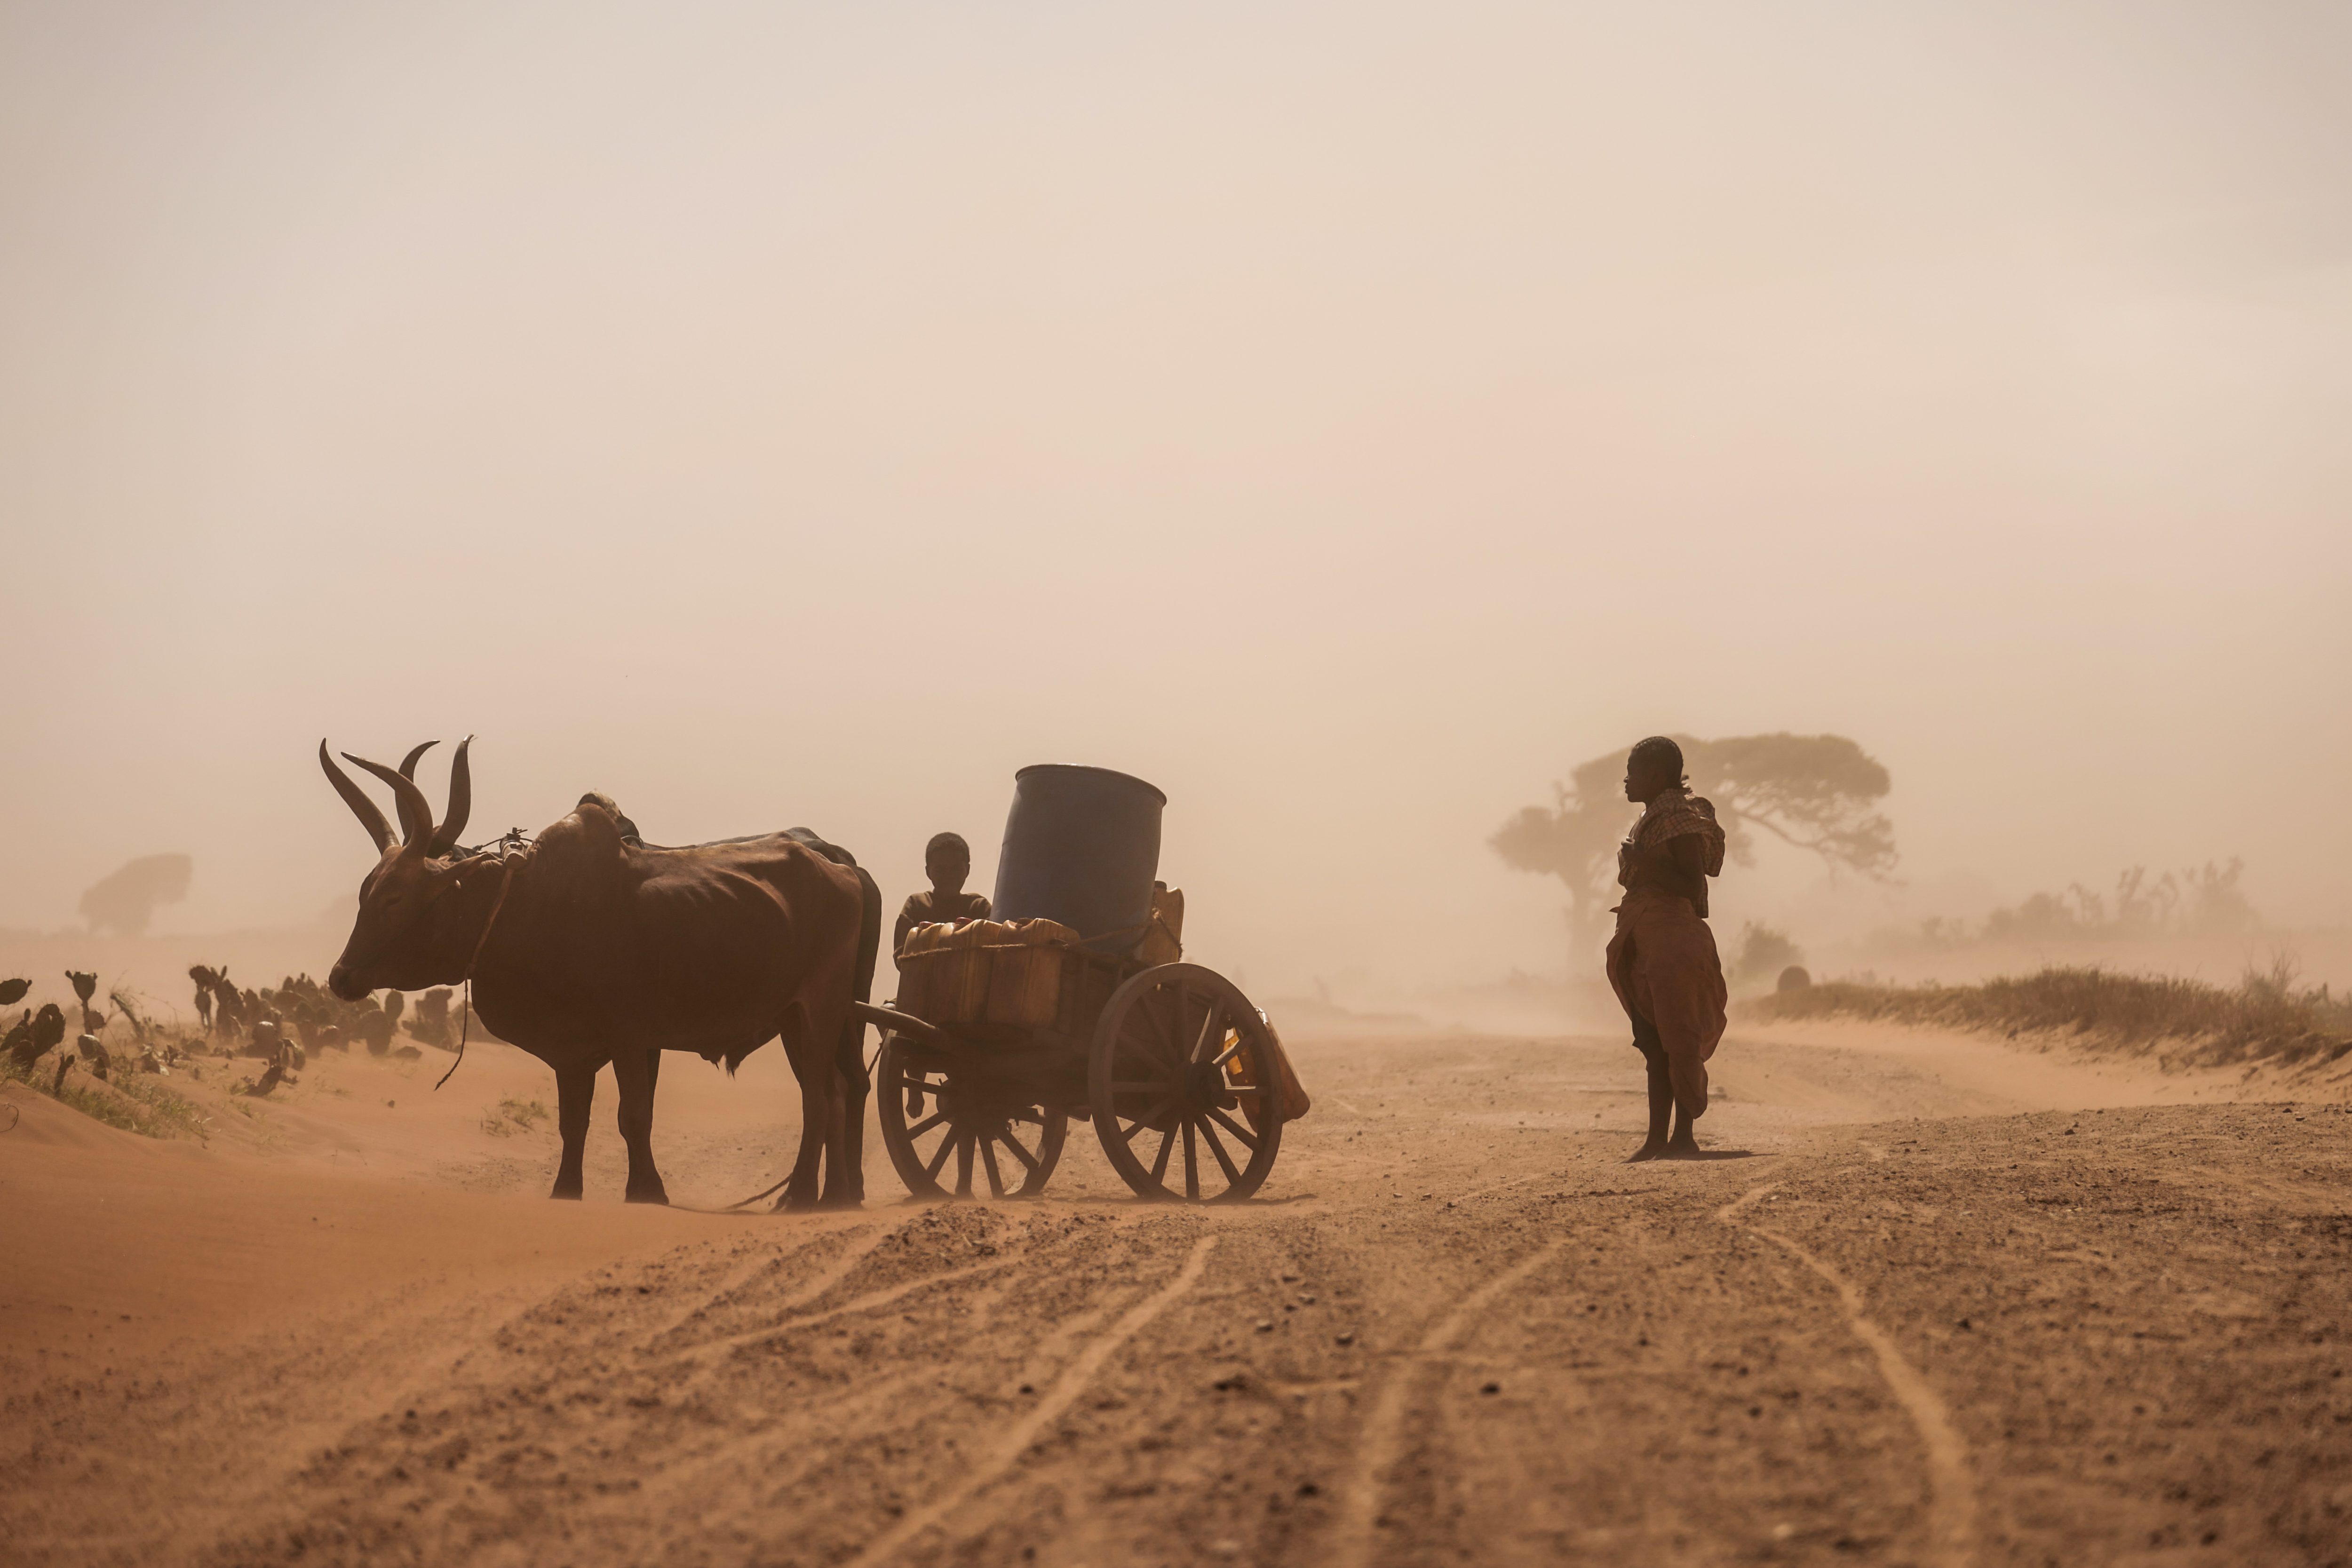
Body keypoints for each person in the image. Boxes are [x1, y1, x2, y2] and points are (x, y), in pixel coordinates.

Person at [1604, 736, 1728, 1161]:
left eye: (1633, 771)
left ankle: (1682, 1138)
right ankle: (1657, 1139)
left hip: (1674, 939)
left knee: (1679, 1037)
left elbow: (1692, 885)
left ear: (1656, 776)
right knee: (1654, 1042)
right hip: (1649, 939)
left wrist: (1643, 859)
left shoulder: (1679, 819)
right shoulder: (1654, 819)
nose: (1626, 780)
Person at [894, 832, 991, 963]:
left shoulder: (979, 908)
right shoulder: (916, 905)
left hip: (968, 983)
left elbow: (993, 954)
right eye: (940, 870)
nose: (949, 876)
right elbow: (901, 956)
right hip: (924, 983)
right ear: (928, 872)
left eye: (956, 869)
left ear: (967, 870)